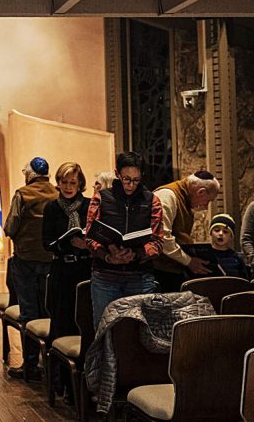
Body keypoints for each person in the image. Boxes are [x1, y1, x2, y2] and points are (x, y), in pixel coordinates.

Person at [85, 151, 163, 327]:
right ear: (117, 174)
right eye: (126, 179)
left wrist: (135, 254)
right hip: (105, 276)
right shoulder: (101, 198)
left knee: (140, 331)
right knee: (105, 331)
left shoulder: (152, 200)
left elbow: (157, 241)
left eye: (136, 180)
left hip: (139, 276)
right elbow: (90, 237)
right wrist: (107, 254)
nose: (131, 185)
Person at [41, 162, 91, 398]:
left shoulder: (90, 206)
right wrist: (67, 242)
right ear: (58, 183)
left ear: (80, 183)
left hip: (85, 270)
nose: (69, 187)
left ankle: (84, 385)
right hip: (62, 269)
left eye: (73, 182)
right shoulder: (52, 208)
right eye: (64, 182)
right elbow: (46, 242)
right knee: (62, 323)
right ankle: (62, 384)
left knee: (84, 323)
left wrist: (87, 243)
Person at [4, 157, 56, 380]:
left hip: (24, 260)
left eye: (26, 169)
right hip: (49, 261)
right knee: (47, 311)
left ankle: (31, 365)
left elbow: (10, 227)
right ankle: (51, 365)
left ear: (32, 173)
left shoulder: (22, 194)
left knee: (28, 312)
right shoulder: (56, 193)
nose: (24, 172)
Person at [152, 171, 220, 291]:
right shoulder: (168, 196)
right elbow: (162, 237)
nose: (206, 206)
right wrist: (189, 261)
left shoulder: (184, 198)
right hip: (159, 270)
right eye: (208, 201)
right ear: (201, 192)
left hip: (172, 268)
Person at [207, 213, 251, 279]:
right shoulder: (205, 256)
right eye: (217, 230)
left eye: (225, 231)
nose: (220, 234)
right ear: (210, 233)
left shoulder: (237, 259)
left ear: (231, 236)